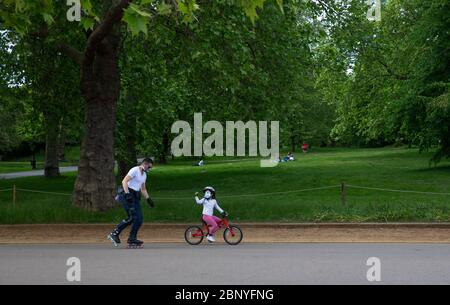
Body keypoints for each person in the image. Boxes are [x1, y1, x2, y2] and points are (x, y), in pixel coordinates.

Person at [108, 158, 155, 247]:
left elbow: (143, 189)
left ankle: (132, 238)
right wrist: (127, 194)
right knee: (132, 217)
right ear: (145, 164)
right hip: (127, 195)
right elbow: (124, 181)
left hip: (135, 197)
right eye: (149, 167)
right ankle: (114, 233)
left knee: (139, 219)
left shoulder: (144, 175)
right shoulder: (134, 170)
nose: (149, 169)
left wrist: (148, 199)